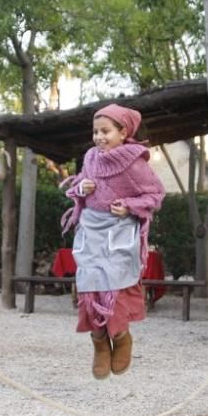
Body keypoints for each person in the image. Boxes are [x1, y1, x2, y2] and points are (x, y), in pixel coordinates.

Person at [61, 104, 164, 379]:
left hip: (118, 233)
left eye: (105, 131)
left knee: (115, 290)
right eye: (95, 132)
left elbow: (155, 195)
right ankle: (98, 343)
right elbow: (78, 185)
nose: (99, 137)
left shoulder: (134, 163)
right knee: (89, 289)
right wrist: (82, 188)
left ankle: (120, 338)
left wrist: (129, 205)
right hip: (92, 231)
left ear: (123, 132)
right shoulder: (91, 157)